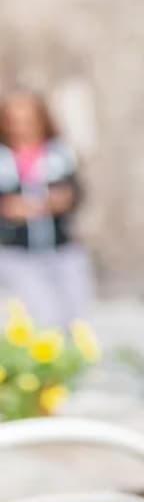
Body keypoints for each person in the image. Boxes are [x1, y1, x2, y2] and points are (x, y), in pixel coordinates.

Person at [0, 89, 92, 329]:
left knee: (77, 317)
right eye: (14, 121)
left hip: (61, 247)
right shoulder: (3, 158)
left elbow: (77, 192)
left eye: (28, 120)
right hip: (19, 252)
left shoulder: (59, 153)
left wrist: (64, 200)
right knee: (43, 316)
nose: (21, 128)